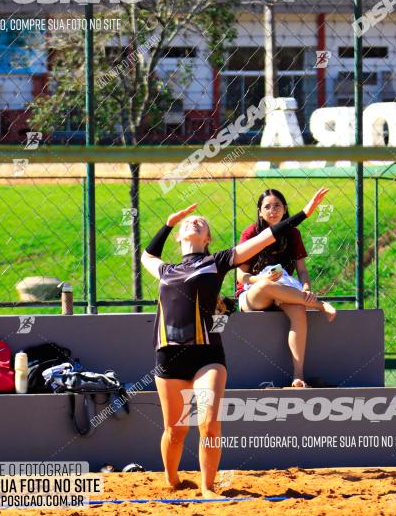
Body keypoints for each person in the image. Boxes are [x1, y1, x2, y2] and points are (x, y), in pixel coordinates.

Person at [141, 188, 331, 498]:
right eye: (190, 222)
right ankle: (172, 480)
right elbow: (146, 256)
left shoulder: (216, 261)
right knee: (176, 430)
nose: (195, 223)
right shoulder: (166, 269)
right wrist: (167, 224)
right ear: (181, 237)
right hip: (169, 355)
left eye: (201, 223)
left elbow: (266, 238)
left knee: (210, 424)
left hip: (207, 355)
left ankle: (207, 487)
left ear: (208, 238)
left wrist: (304, 214)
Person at [236, 188, 336, 388]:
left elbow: (302, 271)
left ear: (285, 209)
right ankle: (319, 305)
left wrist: (306, 287)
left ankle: (298, 376)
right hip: (253, 294)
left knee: (299, 309)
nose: (272, 210)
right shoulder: (251, 233)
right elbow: (241, 276)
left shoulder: (293, 233)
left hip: (284, 289)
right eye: (267, 206)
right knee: (267, 284)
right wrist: (261, 278)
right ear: (259, 211)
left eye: (277, 206)